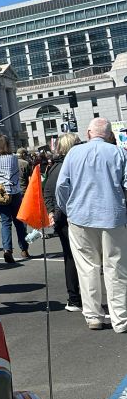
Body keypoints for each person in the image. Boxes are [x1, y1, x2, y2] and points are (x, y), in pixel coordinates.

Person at [56, 117, 127, 333]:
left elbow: (62, 186)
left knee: (87, 268)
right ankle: (120, 319)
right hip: (113, 216)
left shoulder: (74, 153)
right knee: (116, 267)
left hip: (80, 216)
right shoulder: (120, 153)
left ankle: (94, 316)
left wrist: (69, 209)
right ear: (109, 135)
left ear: (88, 133)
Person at [42, 134, 82, 313]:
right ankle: (80, 298)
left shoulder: (53, 167)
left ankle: (74, 298)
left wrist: (52, 212)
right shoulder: (71, 165)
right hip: (74, 216)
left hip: (62, 218)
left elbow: (47, 191)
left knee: (70, 257)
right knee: (84, 259)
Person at [0, 134, 29, 264]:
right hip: (14, 192)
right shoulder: (12, 158)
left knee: (5, 223)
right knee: (19, 222)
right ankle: (24, 249)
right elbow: (15, 177)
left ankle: (7, 250)